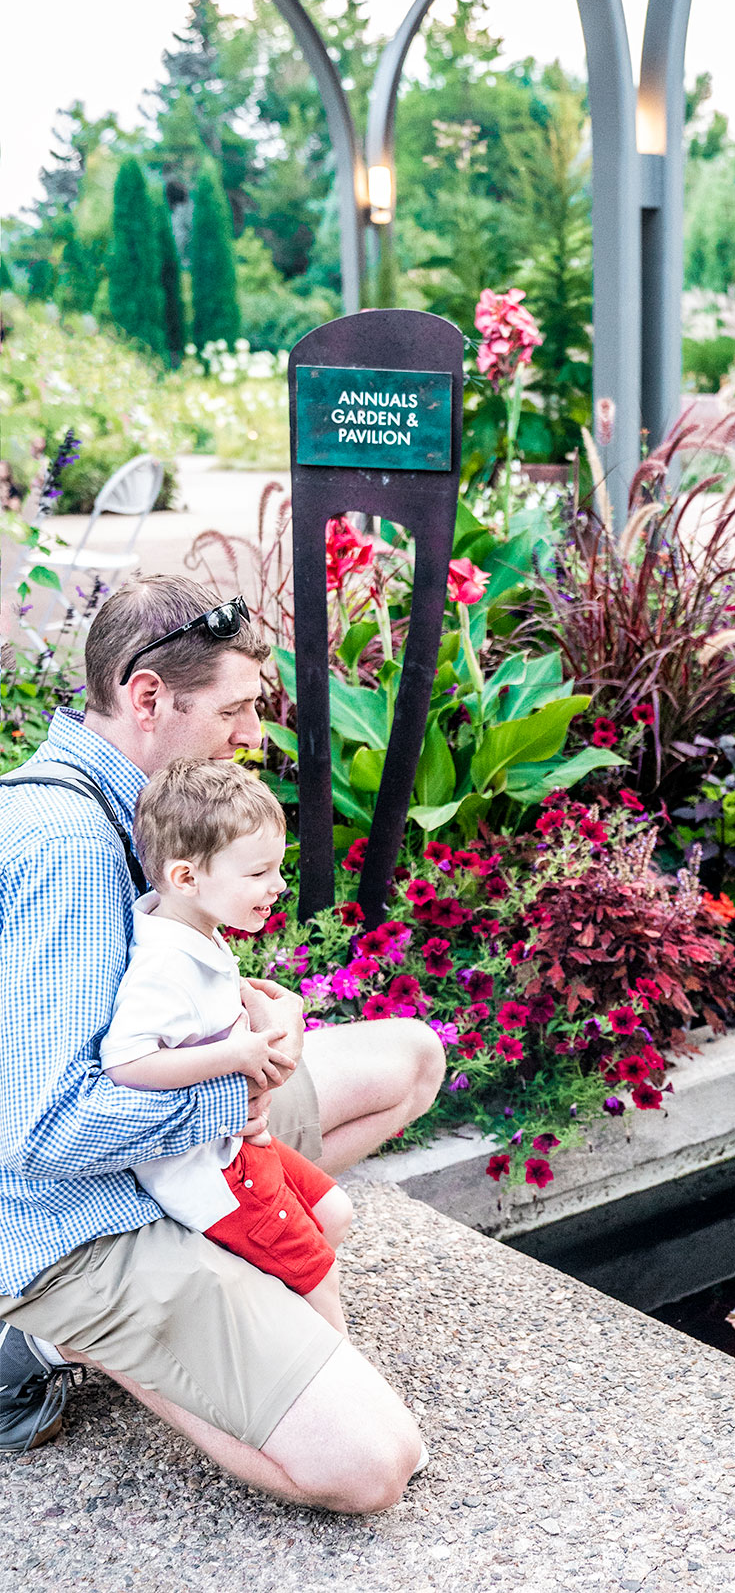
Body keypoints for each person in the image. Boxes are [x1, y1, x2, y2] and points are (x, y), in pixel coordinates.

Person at [0, 575, 445, 1510]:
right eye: (237, 710)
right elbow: (39, 1136)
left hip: (162, 1139)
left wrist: (262, 1005)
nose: (253, 737)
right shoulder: (68, 846)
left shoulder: (117, 800)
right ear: (149, 696)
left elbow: (136, 981)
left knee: (412, 1059)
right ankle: (54, 1331)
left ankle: (209, 1252)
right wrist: (234, 1091)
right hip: (66, 1214)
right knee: (373, 1466)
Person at [100, 759, 353, 1338]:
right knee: (319, 1277)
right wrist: (236, 1056)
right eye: (260, 872)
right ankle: (339, 1378)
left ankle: (274, 1325)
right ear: (187, 878)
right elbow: (126, 1063)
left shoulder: (191, 930)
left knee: (333, 1214)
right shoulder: (163, 967)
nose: (280, 886)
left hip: (237, 1145)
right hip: (211, 1171)